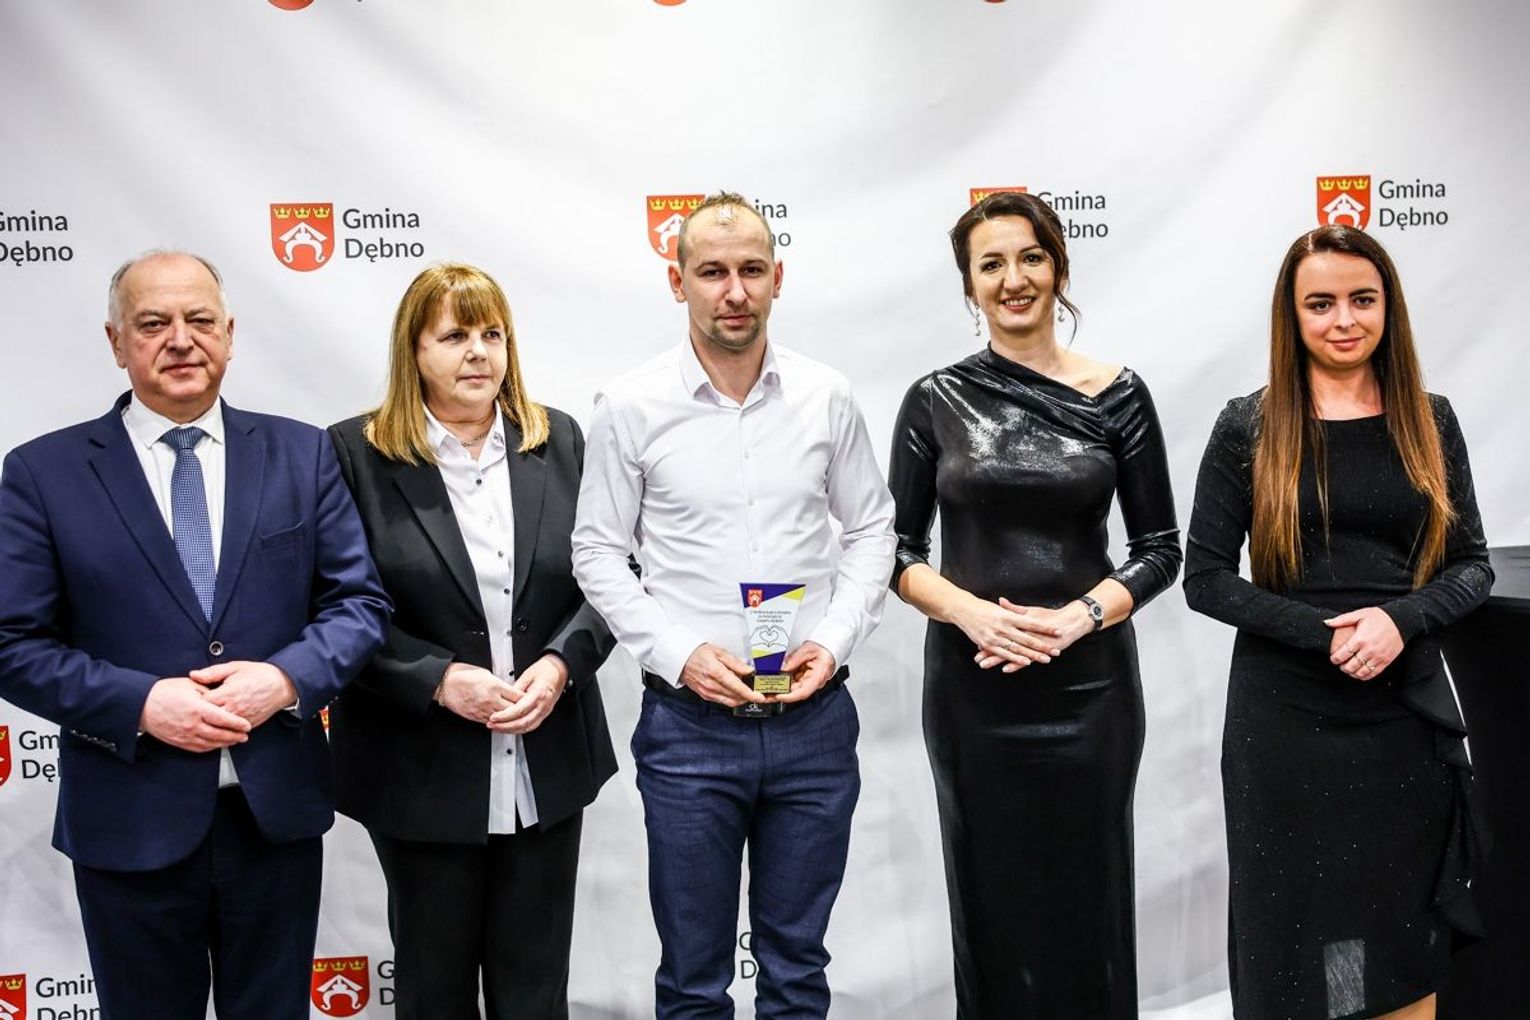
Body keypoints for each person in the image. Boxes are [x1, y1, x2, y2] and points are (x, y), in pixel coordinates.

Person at [0, 251, 391, 1020]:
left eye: (199, 319)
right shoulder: (43, 473)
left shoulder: (302, 453)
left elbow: (359, 604)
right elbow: (13, 643)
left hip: (273, 818)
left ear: (229, 334)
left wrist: (283, 680)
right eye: (153, 323)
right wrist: (142, 705)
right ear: (117, 342)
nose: (181, 339)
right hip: (128, 819)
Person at [571, 192, 896, 1019]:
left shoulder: (825, 396)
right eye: (712, 272)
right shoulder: (630, 404)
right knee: (693, 979)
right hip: (689, 731)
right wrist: (678, 655)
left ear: (778, 278)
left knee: (797, 971)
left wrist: (833, 638)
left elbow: (872, 529)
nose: (735, 291)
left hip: (814, 725)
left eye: (752, 270)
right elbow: (597, 553)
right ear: (677, 282)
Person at [1183, 225, 1492, 1020]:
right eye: (1320, 303)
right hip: (1285, 724)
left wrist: (1399, 622)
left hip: (1401, 717)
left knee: (1397, 929)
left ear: (1390, 307)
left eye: (1362, 299)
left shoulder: (1430, 419)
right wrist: (1327, 636)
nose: (1344, 319)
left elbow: (1472, 565)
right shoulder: (1248, 425)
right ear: (1292, 315)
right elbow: (1205, 579)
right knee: (1303, 936)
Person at [887, 190, 1181, 1018]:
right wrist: (971, 612)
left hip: (1090, 695)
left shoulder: (1120, 395)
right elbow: (895, 551)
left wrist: (1078, 617)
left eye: (1030, 258)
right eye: (991, 264)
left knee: (1090, 906)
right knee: (991, 907)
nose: (1013, 279)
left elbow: (1161, 548)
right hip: (973, 693)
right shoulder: (935, 398)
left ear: (1058, 268)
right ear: (969, 286)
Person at [327, 263, 618, 1019]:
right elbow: (334, 609)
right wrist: (436, 678)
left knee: (535, 995)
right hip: (418, 769)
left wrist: (561, 665)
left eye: (493, 334)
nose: (479, 352)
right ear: (414, 351)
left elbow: (610, 579)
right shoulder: (354, 454)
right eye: (455, 336)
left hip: (546, 763)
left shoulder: (559, 440)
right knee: (434, 993)